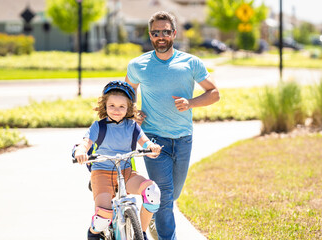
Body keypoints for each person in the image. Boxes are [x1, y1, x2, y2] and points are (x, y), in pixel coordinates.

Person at [125, 11, 220, 240]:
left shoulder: (190, 62)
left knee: (173, 193)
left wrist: (190, 103)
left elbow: (214, 93)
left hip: (183, 137)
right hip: (153, 139)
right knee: (165, 194)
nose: (161, 36)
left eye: (166, 31)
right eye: (156, 32)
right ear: (150, 35)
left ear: (174, 34)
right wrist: (133, 112)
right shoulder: (138, 65)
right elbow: (127, 95)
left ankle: (156, 220)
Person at [74, 81, 162, 240]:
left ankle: (139, 233)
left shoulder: (132, 126)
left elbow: (146, 142)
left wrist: (152, 148)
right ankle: (93, 233)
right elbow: (85, 143)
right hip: (102, 173)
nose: (116, 110)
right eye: (112, 105)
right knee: (103, 219)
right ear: (104, 105)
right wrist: (80, 151)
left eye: (122, 106)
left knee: (152, 192)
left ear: (129, 108)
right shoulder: (98, 126)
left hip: (126, 172)